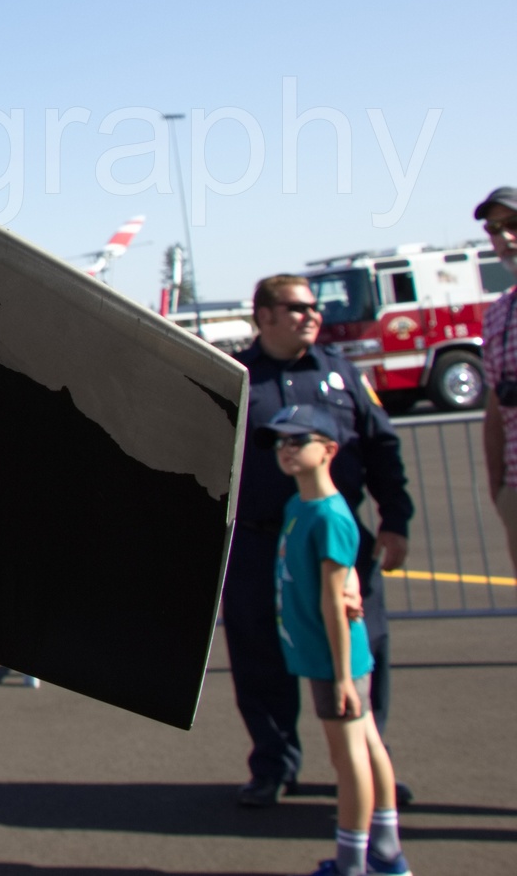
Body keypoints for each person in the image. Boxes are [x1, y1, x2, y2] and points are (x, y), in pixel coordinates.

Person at [225, 274, 413, 809]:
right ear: (262, 315)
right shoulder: (236, 379)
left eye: (314, 308)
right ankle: (273, 766)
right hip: (260, 547)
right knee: (260, 657)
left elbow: (382, 449)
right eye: (297, 308)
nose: (312, 316)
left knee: (359, 654)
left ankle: (369, 764)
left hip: (338, 544)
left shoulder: (343, 375)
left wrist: (396, 521)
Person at [265, 404, 413, 876]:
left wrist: (344, 674)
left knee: (348, 758)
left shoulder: (330, 518)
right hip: (316, 652)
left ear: (328, 450)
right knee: (366, 747)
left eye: (297, 440)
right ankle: (387, 853)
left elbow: (335, 602)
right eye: (280, 442)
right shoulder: (298, 505)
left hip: (336, 660)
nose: (286, 449)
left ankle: (353, 861)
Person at [475, 186, 517, 575]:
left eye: (513, 224)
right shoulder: (497, 314)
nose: (503, 237)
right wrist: (500, 491)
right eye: (494, 229)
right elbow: (494, 407)